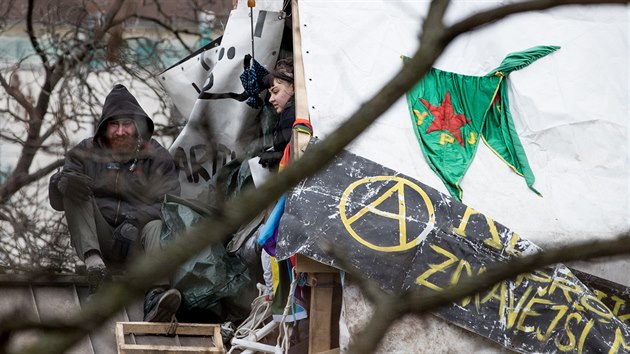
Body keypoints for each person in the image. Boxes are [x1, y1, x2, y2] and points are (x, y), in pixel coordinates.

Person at [49, 84, 182, 322]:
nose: (120, 131)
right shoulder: (85, 152)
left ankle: (156, 295)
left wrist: (134, 219)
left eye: (127, 124)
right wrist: (59, 182)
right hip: (98, 240)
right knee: (73, 186)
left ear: (137, 126)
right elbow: (60, 200)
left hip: (139, 247)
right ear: (104, 127)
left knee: (156, 226)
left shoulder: (156, 156)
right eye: (114, 124)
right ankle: (95, 271)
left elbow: (169, 201)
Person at [258, 57, 296, 170]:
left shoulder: (290, 114)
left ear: (293, 87)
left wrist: (276, 157)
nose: (271, 99)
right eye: (270, 94)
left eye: (275, 91)